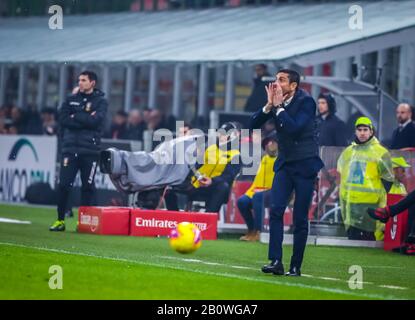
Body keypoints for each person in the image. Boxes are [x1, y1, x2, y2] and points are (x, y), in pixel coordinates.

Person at [251, 69, 324, 276]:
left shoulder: (307, 102)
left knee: (300, 218)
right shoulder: (275, 102)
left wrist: (279, 106)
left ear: (293, 86)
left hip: (305, 165)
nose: (276, 83)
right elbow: (252, 124)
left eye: (281, 80)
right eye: (275, 79)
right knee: (276, 210)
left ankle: (295, 266)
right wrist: (268, 106)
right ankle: (276, 260)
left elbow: (294, 128)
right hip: (284, 165)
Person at [49, 71, 108, 231]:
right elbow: (63, 119)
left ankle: (83, 222)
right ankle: (60, 220)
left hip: (90, 151)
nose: (80, 83)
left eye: (83, 80)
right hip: (70, 149)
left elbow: (96, 121)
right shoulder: (70, 99)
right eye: (79, 80)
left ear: (92, 83)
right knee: (63, 185)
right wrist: (85, 117)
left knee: (87, 187)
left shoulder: (101, 101)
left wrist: (76, 117)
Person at [165, 122, 242, 214]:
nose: (220, 135)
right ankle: (175, 217)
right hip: (196, 184)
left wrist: (211, 181)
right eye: (220, 133)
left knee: (223, 187)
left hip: (214, 187)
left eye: (224, 134)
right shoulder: (209, 148)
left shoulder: (236, 155)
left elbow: (228, 176)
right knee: (169, 189)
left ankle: (209, 218)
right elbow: (195, 165)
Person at [337, 117, 394, 241]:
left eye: (365, 130)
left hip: (370, 206)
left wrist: (382, 204)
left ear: (371, 132)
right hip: (351, 203)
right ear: (355, 132)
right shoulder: (348, 152)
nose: (362, 133)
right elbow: (342, 176)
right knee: (352, 240)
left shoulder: (381, 153)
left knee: (368, 241)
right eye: (359, 130)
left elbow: (388, 181)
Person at [237, 133, 277, 242]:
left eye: (272, 142)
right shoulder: (264, 158)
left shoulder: (282, 159)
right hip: (258, 190)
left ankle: (260, 231)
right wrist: (250, 192)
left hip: (276, 191)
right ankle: (251, 230)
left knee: (258, 197)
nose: (269, 145)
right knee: (242, 201)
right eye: (268, 143)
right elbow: (258, 180)